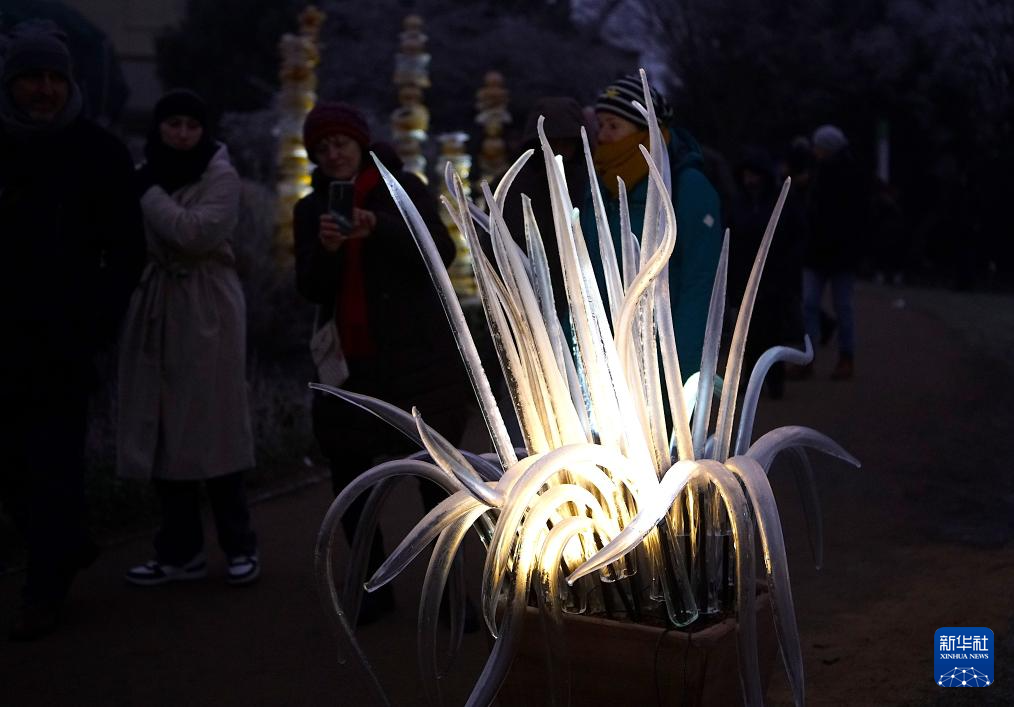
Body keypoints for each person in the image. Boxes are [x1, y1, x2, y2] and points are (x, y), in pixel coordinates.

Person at [293, 102, 471, 622]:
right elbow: (310, 287)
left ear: (360, 143)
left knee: (435, 479)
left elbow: (440, 252)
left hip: (417, 361)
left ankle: (449, 593)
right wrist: (328, 249)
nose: (333, 154)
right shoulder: (311, 208)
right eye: (323, 148)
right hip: (350, 365)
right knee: (351, 480)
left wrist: (380, 226)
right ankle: (372, 583)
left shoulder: (402, 187)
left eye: (341, 143)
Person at [0, 28, 145, 640]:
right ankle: (67, 542)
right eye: (32, 78)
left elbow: (128, 250)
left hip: (63, 341)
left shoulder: (98, 153)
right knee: (12, 467)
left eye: (55, 78)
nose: (44, 90)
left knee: (53, 462)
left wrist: (95, 320)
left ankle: (45, 587)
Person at [118, 90, 259, 588]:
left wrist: (149, 193)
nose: (181, 134)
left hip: (206, 308)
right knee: (162, 430)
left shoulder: (219, 175)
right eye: (173, 123)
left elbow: (194, 233)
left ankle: (239, 543)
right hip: (158, 305)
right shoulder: (146, 171)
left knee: (214, 427)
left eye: (191, 126)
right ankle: (180, 550)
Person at [580, 74, 723, 379]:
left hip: (662, 360)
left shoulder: (688, 188)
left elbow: (700, 283)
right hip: (603, 359)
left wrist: (681, 368)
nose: (603, 136)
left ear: (646, 129)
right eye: (600, 125)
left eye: (614, 126)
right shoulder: (598, 186)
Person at [727, 147, 805, 399]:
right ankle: (752, 381)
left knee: (772, 331)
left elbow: (794, 236)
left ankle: (774, 380)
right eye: (747, 174)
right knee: (747, 335)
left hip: (774, 277)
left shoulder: (779, 201)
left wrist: (786, 271)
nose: (750, 179)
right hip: (745, 275)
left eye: (754, 174)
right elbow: (732, 236)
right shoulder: (739, 202)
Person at [801, 124, 867, 380]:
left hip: (835, 253)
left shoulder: (844, 175)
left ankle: (840, 358)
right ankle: (813, 358)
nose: (815, 150)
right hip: (825, 252)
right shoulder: (824, 172)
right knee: (817, 305)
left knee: (838, 306)